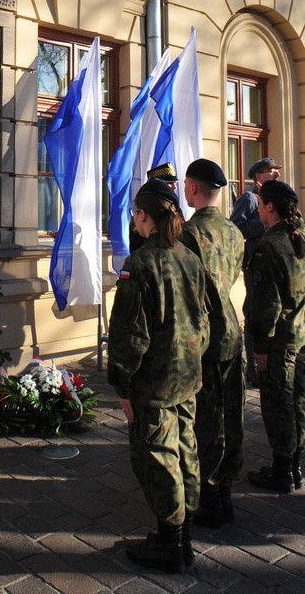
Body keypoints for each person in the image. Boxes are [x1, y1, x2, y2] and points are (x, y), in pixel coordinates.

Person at [107, 179, 209, 573]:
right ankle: (182, 536)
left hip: (155, 382)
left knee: (159, 458)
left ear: (145, 215)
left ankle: (171, 544)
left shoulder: (141, 263)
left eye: (135, 213)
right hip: (187, 376)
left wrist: (121, 380)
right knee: (186, 451)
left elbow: (131, 333)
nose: (134, 220)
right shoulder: (189, 257)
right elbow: (204, 319)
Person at [182, 159, 245, 525]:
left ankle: (210, 495)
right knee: (231, 414)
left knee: (207, 418)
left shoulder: (189, 234)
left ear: (192, 187)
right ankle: (225, 492)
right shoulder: (235, 232)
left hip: (204, 337)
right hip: (232, 334)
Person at [246, 179, 305, 494]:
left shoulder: (270, 245)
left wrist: (260, 347)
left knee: (278, 403)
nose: (257, 206)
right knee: (299, 401)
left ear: (269, 206)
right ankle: (295, 467)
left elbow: (266, 303)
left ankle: (283, 471)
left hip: (280, 340)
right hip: (301, 334)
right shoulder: (299, 237)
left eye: (260, 201)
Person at [230, 157, 281, 386]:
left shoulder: (272, 199)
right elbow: (235, 227)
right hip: (254, 267)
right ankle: (251, 367)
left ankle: (269, 362)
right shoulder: (250, 199)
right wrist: (264, 222)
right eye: (271, 171)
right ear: (259, 177)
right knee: (253, 313)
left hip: (270, 266)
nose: (276, 174)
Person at [129, 162, 180, 253]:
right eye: (169, 183)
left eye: (174, 183)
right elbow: (135, 248)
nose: (174, 187)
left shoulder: (175, 208)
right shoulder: (140, 211)